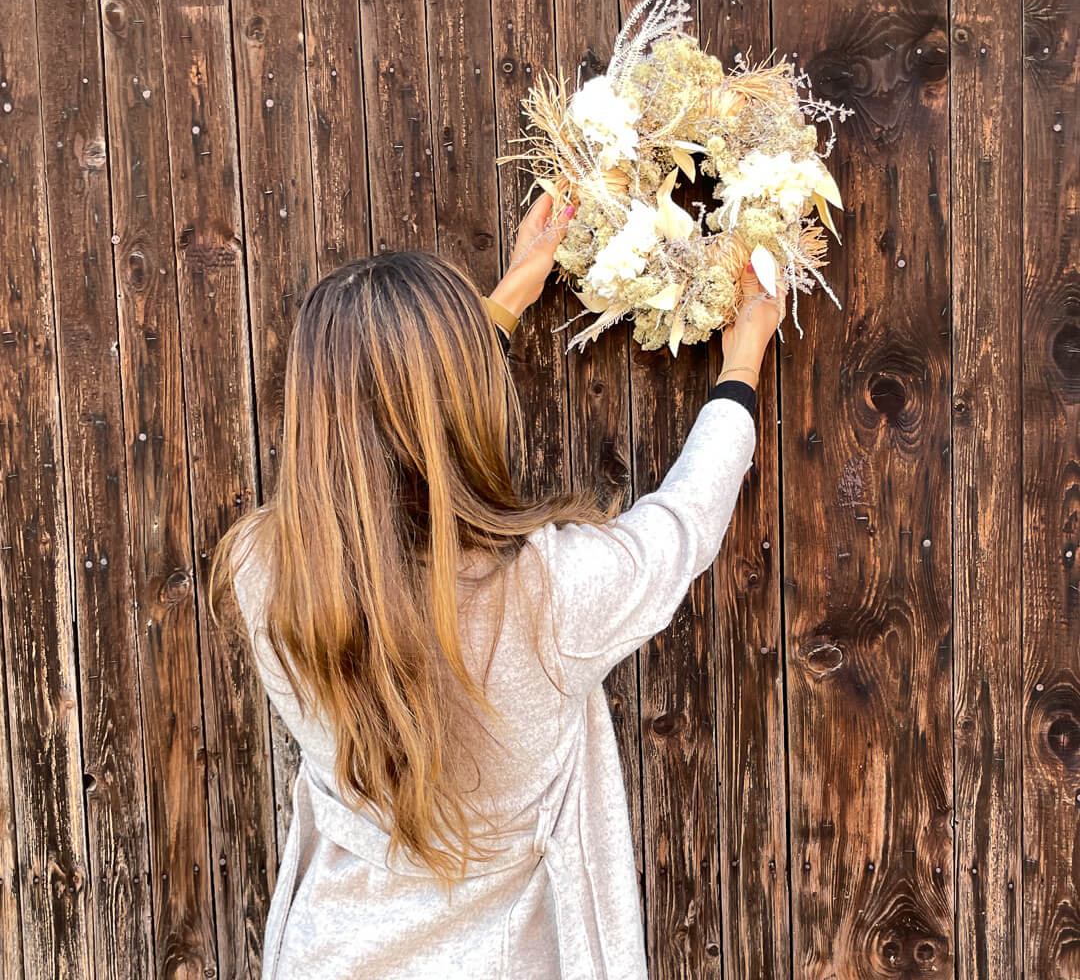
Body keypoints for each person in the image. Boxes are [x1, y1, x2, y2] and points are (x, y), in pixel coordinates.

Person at [211, 191, 782, 979]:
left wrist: (515, 288)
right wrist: (744, 360)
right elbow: (681, 526)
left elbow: (379, 437)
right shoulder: (550, 593)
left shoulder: (262, 576)